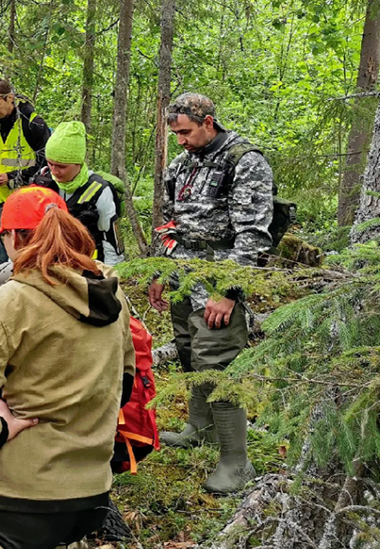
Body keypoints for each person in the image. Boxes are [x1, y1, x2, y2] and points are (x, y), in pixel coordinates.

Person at [0, 186, 134, 549]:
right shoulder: (111, 294)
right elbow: (126, 381)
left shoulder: (7, 304)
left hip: (16, 497)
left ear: (12, 238)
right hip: (91, 493)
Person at [149, 92, 272, 494]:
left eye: (185, 132)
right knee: (189, 353)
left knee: (217, 366)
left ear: (208, 122)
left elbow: (254, 234)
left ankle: (236, 463)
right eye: (175, 134)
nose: (180, 140)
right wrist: (159, 271)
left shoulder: (244, 161)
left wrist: (230, 292)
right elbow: (170, 221)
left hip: (219, 286)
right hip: (182, 279)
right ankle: (198, 428)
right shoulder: (182, 165)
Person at [0, 78, 49, 268]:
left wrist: (11, 177)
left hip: (29, 203)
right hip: (2, 201)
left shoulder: (33, 124)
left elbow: (46, 164)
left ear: (10, 98)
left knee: (28, 255)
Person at [32, 120, 124, 265]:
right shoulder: (43, 181)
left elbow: (111, 242)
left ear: (78, 163)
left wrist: (109, 278)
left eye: (62, 166)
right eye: (50, 163)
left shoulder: (100, 191)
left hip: (87, 266)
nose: (54, 171)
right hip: (49, 265)